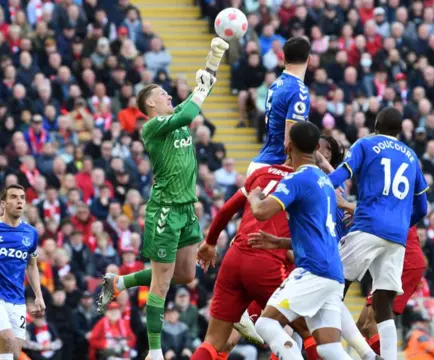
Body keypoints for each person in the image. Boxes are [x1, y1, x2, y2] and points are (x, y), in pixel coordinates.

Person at [96, 37, 230, 360]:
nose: (168, 95)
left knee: (185, 275)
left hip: (186, 210)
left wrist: (213, 58)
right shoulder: (154, 127)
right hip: (164, 212)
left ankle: (119, 282)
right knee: (162, 283)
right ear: (151, 105)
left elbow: (202, 92)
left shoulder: (176, 116)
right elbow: (189, 112)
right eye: (161, 94)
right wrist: (199, 87)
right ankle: (154, 353)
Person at [192, 157, 321, 360]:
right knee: (311, 331)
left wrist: (210, 242)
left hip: (235, 258)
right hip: (267, 265)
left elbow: (226, 209)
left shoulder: (260, 173)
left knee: (214, 341)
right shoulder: (310, 182)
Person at [327, 107, 429, 360]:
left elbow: (343, 174)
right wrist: (402, 225)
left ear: (377, 124)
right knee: (384, 304)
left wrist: (320, 185)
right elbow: (423, 207)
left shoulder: (366, 144)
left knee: (330, 287)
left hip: (368, 225)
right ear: (399, 129)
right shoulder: (411, 156)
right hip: (397, 237)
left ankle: (354, 354)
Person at [245, 121, 349, 359]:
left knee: (266, 325)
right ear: (314, 148)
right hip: (333, 271)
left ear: (288, 146)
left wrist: (254, 196)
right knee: (329, 348)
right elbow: (319, 233)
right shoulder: (325, 182)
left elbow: (261, 212)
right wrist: (279, 242)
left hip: (313, 269)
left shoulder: (297, 180)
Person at [0, 184, 47, 360]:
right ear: (3, 203)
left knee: (12, 354)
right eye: (13, 197)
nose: (19, 201)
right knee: (9, 344)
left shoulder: (30, 233)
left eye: (22, 197)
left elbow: (31, 265)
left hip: (17, 299)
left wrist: (38, 295)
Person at [356, 225, 427, 355]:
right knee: (361, 325)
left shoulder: (394, 206)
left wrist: (346, 206)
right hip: (390, 262)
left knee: (372, 324)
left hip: (405, 264)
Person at [248, 36, 312, 176]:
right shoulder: (298, 91)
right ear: (309, 60)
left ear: (283, 59)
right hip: (277, 167)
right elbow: (290, 140)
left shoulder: (276, 84)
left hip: (262, 162)